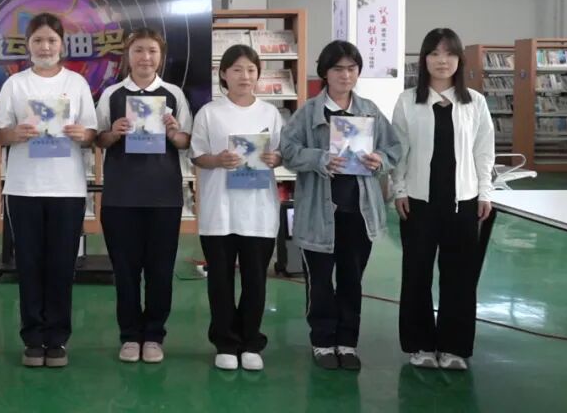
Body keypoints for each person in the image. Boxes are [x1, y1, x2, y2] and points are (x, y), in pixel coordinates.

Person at [280, 40, 402, 371]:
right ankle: (322, 341)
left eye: (351, 68)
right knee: (320, 282)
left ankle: (347, 342)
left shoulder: (369, 111)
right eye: (338, 69)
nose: (345, 75)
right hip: (318, 213)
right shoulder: (309, 112)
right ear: (325, 72)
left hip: (359, 213)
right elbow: (287, 151)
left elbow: (394, 147)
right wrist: (319, 158)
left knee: (352, 280)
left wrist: (380, 160)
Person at [0, 12, 98, 368]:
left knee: (61, 266)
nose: (45, 46)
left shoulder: (77, 84)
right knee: (29, 265)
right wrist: (14, 134)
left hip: (67, 188)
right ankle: (33, 338)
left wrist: (82, 134)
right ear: (28, 45)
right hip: (24, 188)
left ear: (62, 44)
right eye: (38, 40)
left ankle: (57, 339)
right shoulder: (15, 85)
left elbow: (92, 132)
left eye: (52, 40)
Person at [393, 28, 495, 371]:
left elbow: (484, 152)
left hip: (463, 202)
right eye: (435, 53)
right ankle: (420, 344)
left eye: (449, 53)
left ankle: (454, 347)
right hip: (418, 202)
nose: (442, 60)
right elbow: (399, 151)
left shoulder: (474, 102)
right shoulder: (408, 101)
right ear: (424, 59)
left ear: (459, 60)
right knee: (417, 274)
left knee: (459, 277)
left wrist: (485, 192)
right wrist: (399, 189)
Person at [95, 28, 192, 365]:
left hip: (164, 197)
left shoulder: (174, 94)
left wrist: (174, 132)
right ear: (128, 54)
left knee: (160, 271)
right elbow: (98, 139)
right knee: (125, 272)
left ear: (160, 56)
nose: (145, 57)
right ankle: (129, 335)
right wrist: (114, 132)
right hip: (120, 196)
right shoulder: (112, 94)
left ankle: (153, 335)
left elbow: (186, 142)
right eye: (138, 50)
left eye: (152, 51)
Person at [189, 45, 284, 371]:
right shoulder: (209, 113)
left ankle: (251, 341)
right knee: (220, 280)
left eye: (251, 70)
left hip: (259, 211)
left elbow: (281, 153)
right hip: (220, 210)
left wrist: (275, 158)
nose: (245, 76)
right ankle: (226, 342)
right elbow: (197, 155)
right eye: (237, 70)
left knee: (256, 281)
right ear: (223, 74)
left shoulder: (270, 113)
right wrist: (217, 160)